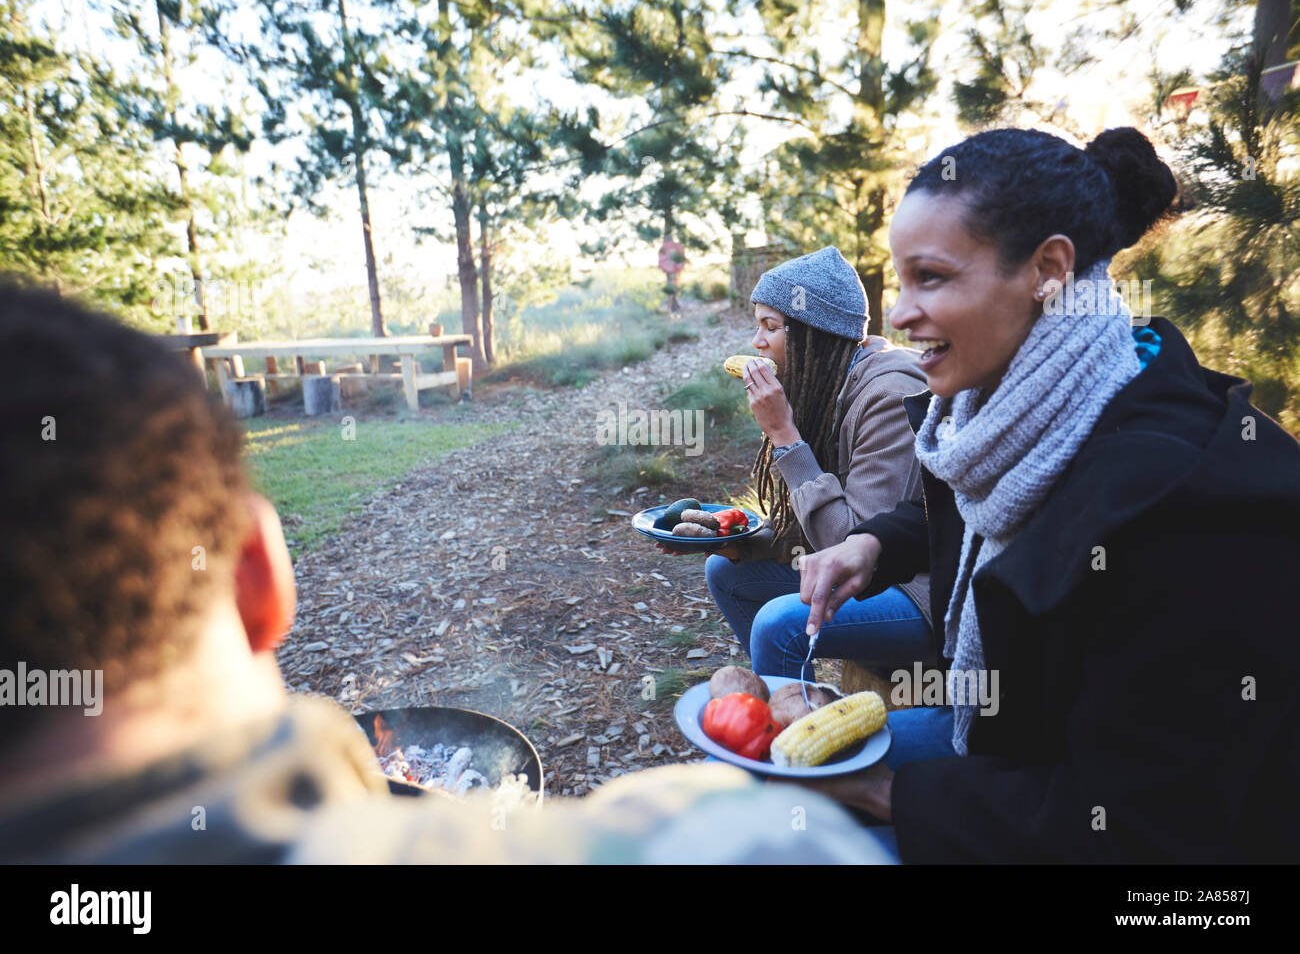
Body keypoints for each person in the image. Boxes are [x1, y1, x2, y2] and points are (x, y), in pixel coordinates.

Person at [0, 285, 896, 864]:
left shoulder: (881, 393)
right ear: (262, 579)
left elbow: (860, 538)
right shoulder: (742, 845)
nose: (754, 341)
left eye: (770, 327)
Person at [791, 127, 1300, 862]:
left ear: (1049, 270)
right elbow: (983, 514)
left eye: (930, 277)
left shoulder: (1189, 507)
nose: (899, 314)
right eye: (899, 281)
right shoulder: (1009, 410)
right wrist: (875, 542)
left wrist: (883, 794)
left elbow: (1145, 825)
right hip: (991, 737)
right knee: (763, 787)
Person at [694, 248, 935, 696]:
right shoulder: (826, 387)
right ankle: (791, 704)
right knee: (726, 571)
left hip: (918, 592)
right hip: (868, 568)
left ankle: (791, 750)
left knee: (776, 626)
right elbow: (816, 531)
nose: (757, 343)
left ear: (814, 337)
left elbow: (855, 547)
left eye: (771, 327)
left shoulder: (890, 396)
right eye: (757, 326)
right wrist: (741, 546)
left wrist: (785, 434)